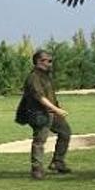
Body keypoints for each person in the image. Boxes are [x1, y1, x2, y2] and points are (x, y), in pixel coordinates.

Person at [15, 50, 71, 179]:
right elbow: (40, 97)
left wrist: (57, 108)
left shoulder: (46, 76)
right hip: (40, 114)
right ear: (39, 61)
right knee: (39, 141)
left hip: (52, 112)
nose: (51, 64)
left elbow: (50, 95)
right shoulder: (33, 77)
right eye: (48, 61)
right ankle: (37, 170)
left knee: (65, 132)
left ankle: (57, 162)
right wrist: (56, 110)